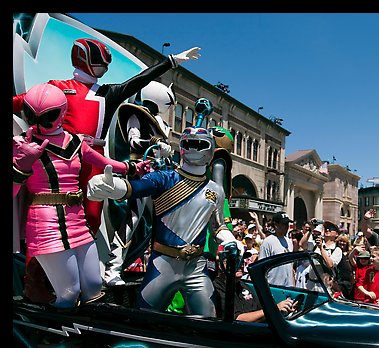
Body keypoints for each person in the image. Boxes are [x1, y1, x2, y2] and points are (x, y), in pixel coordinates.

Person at [13, 37, 201, 234]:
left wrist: (170, 62)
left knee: (92, 216)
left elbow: (139, 81)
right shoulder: (58, 87)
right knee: (47, 210)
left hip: (93, 156)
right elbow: (22, 101)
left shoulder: (107, 93)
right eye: (101, 61)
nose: (105, 66)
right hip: (59, 155)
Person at [13, 83, 148, 308]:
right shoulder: (21, 145)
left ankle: (86, 336)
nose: (37, 124)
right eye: (31, 116)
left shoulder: (75, 142)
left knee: (94, 286)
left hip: (76, 218)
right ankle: (53, 338)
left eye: (47, 117)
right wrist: (21, 167)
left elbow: (104, 162)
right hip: (45, 222)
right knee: (69, 291)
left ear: (61, 113)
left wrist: (131, 168)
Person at [87, 127, 237, 316]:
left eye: (200, 144)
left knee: (208, 319)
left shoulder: (215, 189)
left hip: (196, 267)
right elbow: (138, 187)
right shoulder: (165, 178)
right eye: (189, 143)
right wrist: (112, 186)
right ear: (181, 147)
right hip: (164, 263)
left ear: (210, 148)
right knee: (143, 316)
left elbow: (218, 226)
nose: (194, 149)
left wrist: (230, 240)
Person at [102, 81, 176, 287]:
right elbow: (133, 142)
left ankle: (156, 268)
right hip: (140, 174)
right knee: (131, 221)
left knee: (157, 224)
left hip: (158, 177)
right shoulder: (137, 115)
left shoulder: (157, 121)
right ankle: (112, 269)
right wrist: (154, 145)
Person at [213, 263, 296, 322]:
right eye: (235, 261)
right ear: (221, 265)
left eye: (242, 261)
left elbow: (260, 310)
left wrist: (282, 310)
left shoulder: (243, 285)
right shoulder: (218, 287)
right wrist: (274, 309)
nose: (241, 264)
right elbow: (236, 320)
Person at [259, 212, 295, 286]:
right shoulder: (268, 241)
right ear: (276, 225)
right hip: (273, 285)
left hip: (288, 287)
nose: (286, 227)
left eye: (287, 224)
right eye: (283, 224)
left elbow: (290, 266)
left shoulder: (289, 241)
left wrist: (293, 284)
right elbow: (261, 266)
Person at [335, 234, 354, 299]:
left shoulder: (350, 254)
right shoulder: (335, 252)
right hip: (339, 282)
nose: (342, 243)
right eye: (340, 241)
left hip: (349, 282)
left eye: (344, 241)